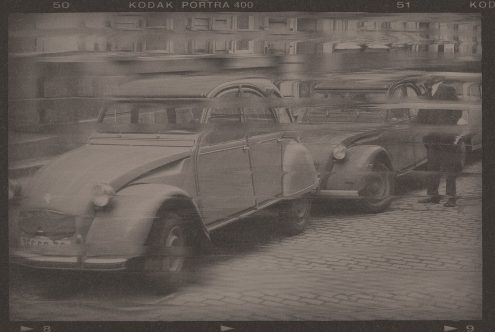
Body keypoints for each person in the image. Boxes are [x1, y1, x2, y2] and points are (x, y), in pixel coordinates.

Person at [417, 83, 464, 207]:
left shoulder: (448, 89)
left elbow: (458, 111)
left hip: (446, 138)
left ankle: (451, 198)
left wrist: (447, 127)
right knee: (432, 167)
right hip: (431, 138)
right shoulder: (426, 93)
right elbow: (421, 114)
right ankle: (433, 195)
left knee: (449, 168)